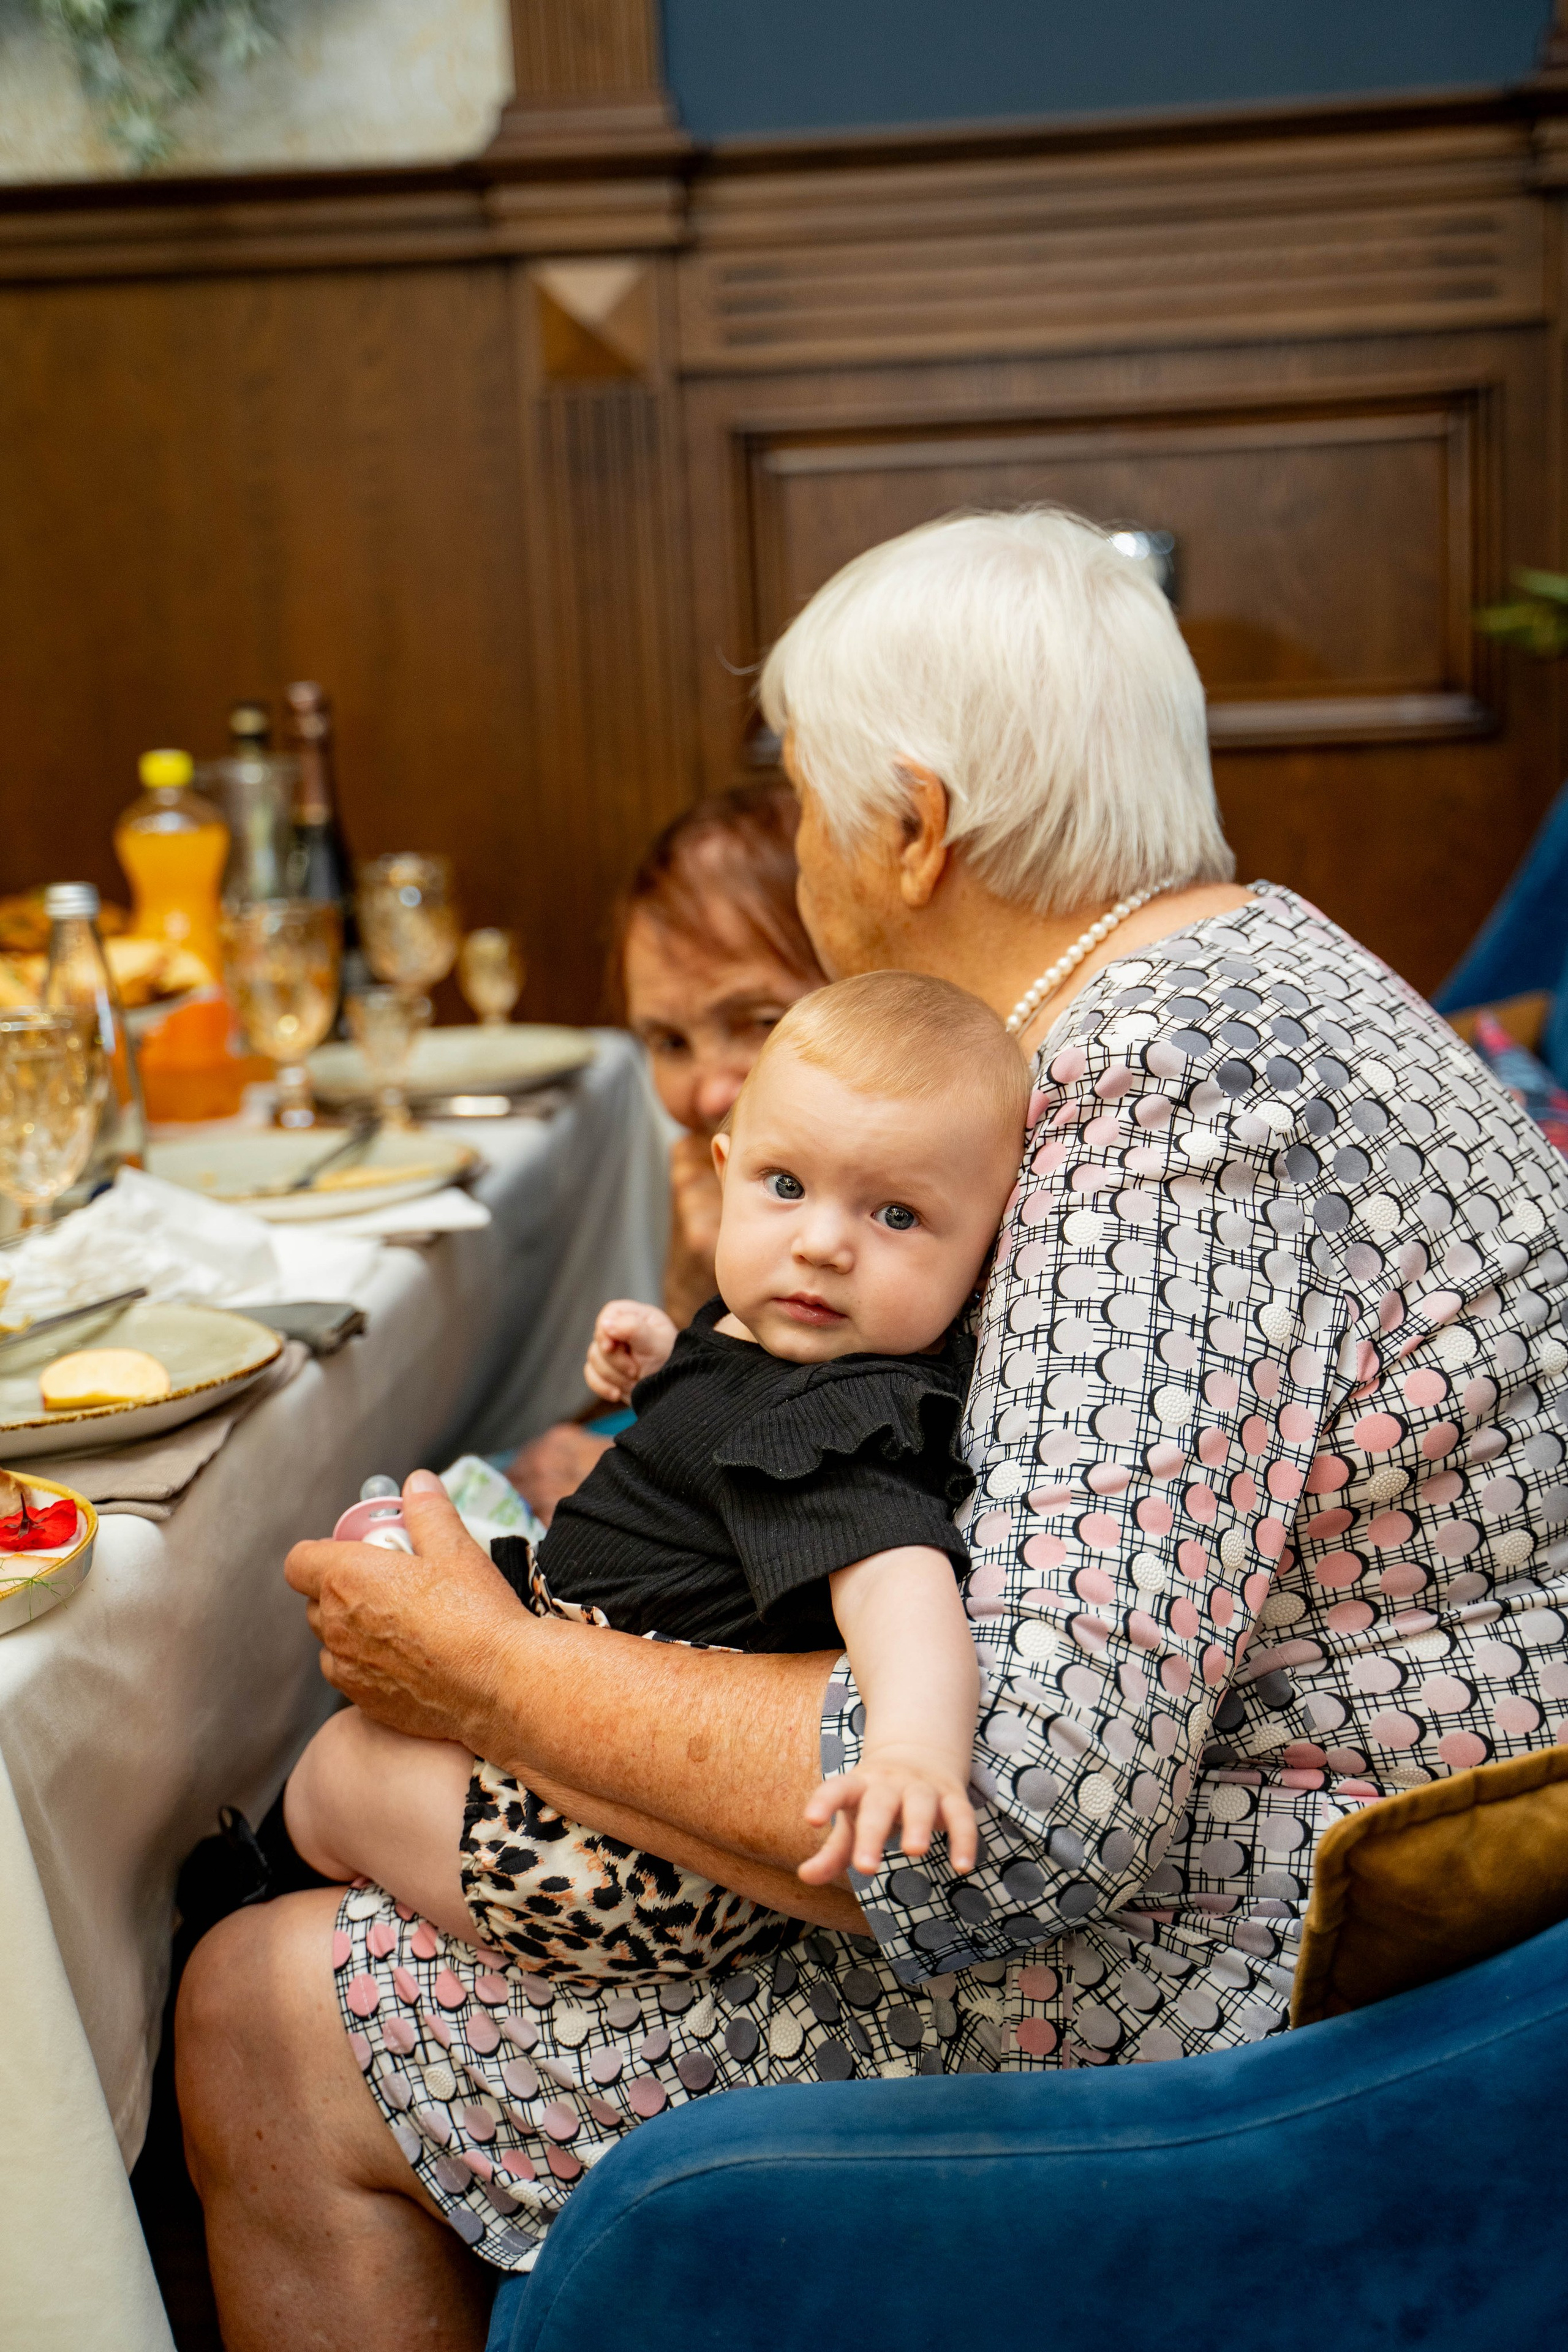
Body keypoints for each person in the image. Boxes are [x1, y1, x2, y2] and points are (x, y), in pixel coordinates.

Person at [179, 508, 1568, 2352]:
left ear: (912, 827)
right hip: (1363, 1899)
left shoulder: (1166, 1099)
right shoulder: (1244, 982)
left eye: (815, 801)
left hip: (1259, 1988)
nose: (816, 841)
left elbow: (1022, 1827)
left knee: (262, 2004)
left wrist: (490, 1674)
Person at [282, 973, 1027, 1991]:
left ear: (986, 1252)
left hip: (615, 1870)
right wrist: (670, 1360)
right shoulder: (784, 1345)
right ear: (726, 1171)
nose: (821, 1241)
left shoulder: (837, 1432)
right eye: (784, 1186)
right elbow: (727, 1426)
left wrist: (910, 1751)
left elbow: (907, 1590)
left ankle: (333, 1910)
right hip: (608, 1795)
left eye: (895, 1213)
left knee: (328, 1775)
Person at [508, 780, 825, 1526]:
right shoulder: (721, 1152)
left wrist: (634, 1480)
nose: (710, 1090)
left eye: (756, 1021)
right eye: (669, 1042)